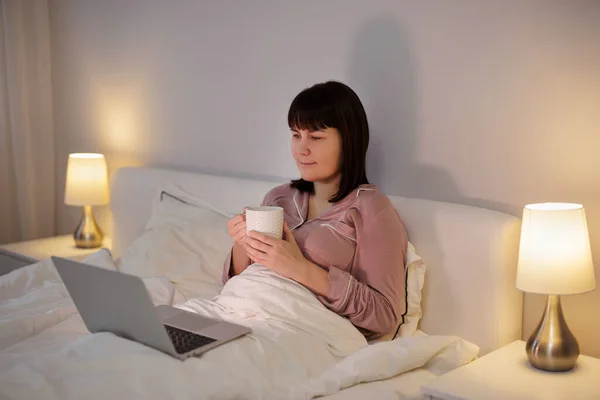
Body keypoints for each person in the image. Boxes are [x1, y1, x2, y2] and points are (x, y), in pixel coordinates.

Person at [222, 81, 408, 341]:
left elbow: (384, 315)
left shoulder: (370, 208)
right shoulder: (278, 197)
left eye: (316, 137)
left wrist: (299, 268)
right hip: (233, 312)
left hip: (295, 333)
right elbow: (238, 284)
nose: (301, 149)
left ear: (349, 140)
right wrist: (242, 242)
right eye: (296, 135)